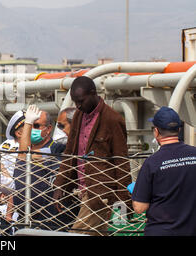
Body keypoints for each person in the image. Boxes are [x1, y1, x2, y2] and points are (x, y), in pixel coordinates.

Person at [53, 76, 132, 236]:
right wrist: (60, 185)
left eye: (81, 101)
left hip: (101, 194)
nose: (78, 106)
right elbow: (69, 152)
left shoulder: (112, 119)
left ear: (93, 93)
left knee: (77, 233)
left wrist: (124, 202)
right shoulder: (78, 116)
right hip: (80, 190)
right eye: (75, 102)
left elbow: (121, 162)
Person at [132, 107, 196, 236]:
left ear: (156, 132)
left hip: (161, 231)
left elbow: (139, 207)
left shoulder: (152, 162)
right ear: (179, 129)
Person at [14, 105, 66, 229]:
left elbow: (24, 156)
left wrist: (32, 156)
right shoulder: (22, 148)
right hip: (24, 217)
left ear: (48, 129)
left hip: (48, 220)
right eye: (29, 126)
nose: (31, 130)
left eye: (36, 126)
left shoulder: (56, 148)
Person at [0, 110, 25, 230]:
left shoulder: (5, 145)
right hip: (12, 203)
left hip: (7, 202)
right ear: (19, 133)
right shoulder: (16, 149)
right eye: (30, 127)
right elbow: (15, 179)